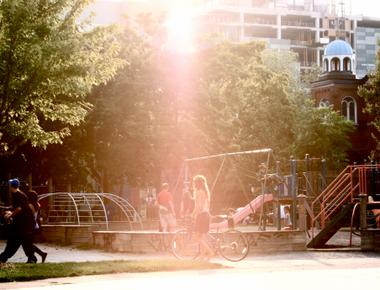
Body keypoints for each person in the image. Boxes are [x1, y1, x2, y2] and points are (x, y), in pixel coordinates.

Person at [0, 179, 37, 263]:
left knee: (13, 241)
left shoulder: (17, 195)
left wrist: (10, 216)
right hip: (25, 224)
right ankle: (32, 258)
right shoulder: (19, 194)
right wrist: (8, 209)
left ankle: (3, 257)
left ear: (11, 186)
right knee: (26, 242)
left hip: (23, 224)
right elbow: (18, 207)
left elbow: (19, 208)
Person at [192, 175, 213, 260]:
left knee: (197, 237)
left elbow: (198, 207)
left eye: (194, 182)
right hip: (206, 215)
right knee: (201, 237)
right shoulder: (205, 192)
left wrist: (192, 215)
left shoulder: (198, 192)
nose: (193, 184)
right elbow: (204, 206)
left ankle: (210, 252)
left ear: (197, 183)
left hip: (201, 216)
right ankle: (202, 256)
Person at [25, 190, 47, 263]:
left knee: (28, 244)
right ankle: (33, 258)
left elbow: (29, 215)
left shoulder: (30, 205)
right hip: (35, 225)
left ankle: (41, 254)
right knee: (29, 243)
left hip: (30, 225)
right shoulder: (38, 204)